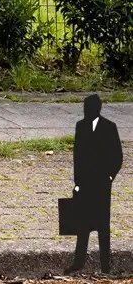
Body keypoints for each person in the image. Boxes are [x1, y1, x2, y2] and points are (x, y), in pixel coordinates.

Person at [73, 92, 121, 273]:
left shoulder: (109, 127)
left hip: (101, 183)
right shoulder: (80, 126)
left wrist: (110, 176)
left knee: (103, 225)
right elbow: (77, 157)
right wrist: (77, 182)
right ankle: (78, 262)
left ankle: (105, 265)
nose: (86, 111)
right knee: (82, 224)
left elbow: (117, 155)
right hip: (85, 182)